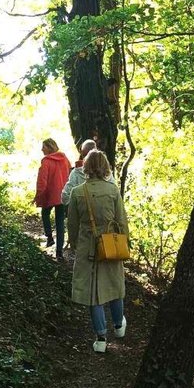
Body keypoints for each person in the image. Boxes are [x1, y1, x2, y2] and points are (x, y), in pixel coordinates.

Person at [67, 150, 129, 353]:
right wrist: (125, 243)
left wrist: (75, 245)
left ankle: (101, 339)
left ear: (86, 167)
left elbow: (72, 225)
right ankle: (119, 325)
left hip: (88, 248)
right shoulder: (113, 190)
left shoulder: (77, 192)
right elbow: (121, 221)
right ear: (105, 167)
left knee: (93, 294)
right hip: (111, 244)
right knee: (114, 286)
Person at [34, 138, 71, 260]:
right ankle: (59, 252)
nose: (41, 149)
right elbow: (70, 174)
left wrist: (38, 195)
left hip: (50, 195)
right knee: (60, 223)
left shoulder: (46, 162)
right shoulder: (64, 159)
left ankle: (49, 237)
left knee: (45, 213)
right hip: (63, 195)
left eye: (43, 147)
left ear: (49, 148)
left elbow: (42, 181)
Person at [61, 139, 115, 206]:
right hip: (105, 210)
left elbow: (65, 198)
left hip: (83, 211)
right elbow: (115, 194)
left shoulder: (76, 173)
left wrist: (78, 202)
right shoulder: (106, 173)